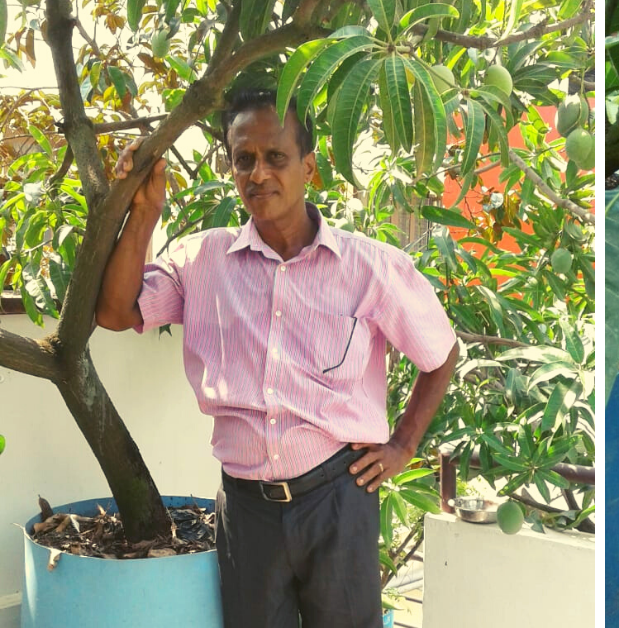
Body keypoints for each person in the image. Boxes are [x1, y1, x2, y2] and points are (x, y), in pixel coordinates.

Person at [95, 87, 459, 628]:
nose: (258, 173)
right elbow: (115, 311)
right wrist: (143, 211)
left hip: (338, 498)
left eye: (275, 157)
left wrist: (404, 444)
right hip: (246, 512)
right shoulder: (202, 260)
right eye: (244, 159)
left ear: (308, 166)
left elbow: (441, 351)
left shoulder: (370, 268)